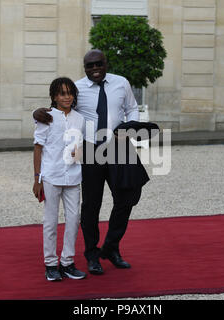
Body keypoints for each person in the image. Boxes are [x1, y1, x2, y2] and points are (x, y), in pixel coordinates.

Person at [33, 50, 150, 276]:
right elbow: (59, 112)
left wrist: (131, 126)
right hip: (89, 151)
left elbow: (131, 108)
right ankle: (92, 255)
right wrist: (36, 112)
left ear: (106, 64)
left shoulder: (121, 83)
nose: (94, 68)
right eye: (89, 65)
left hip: (119, 147)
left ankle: (111, 247)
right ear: (85, 67)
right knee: (90, 206)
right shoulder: (77, 89)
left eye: (99, 64)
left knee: (128, 197)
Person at [33, 77, 86, 281]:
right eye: (62, 93)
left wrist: (77, 154)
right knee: (50, 221)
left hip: (73, 176)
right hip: (51, 176)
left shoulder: (79, 119)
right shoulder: (46, 117)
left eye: (70, 92)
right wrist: (37, 179)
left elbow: (79, 146)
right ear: (54, 96)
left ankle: (67, 262)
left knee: (73, 219)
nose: (67, 97)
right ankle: (50, 264)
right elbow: (38, 148)